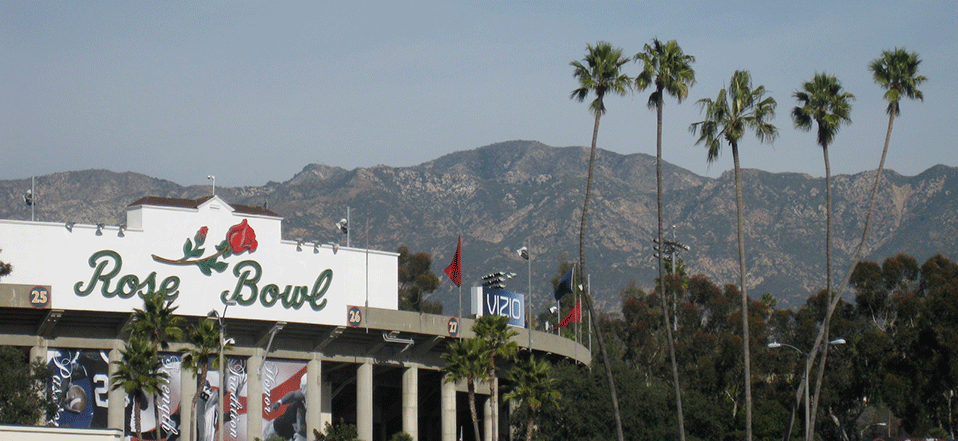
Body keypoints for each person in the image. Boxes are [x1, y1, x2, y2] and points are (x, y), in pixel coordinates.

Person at [262, 373, 307, 441]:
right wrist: (279, 403)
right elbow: (293, 395)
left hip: (288, 433)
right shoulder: (299, 404)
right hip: (277, 429)